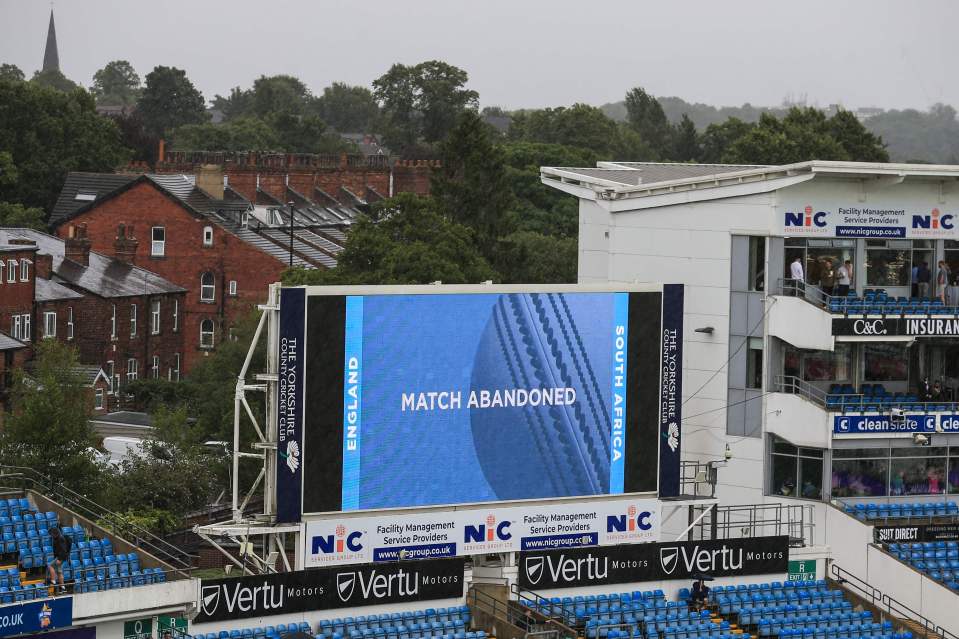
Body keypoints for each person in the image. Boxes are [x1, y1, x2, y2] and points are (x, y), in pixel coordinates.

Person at [47, 526, 71, 592]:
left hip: (60, 557)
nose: (50, 535)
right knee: (59, 572)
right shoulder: (57, 538)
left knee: (51, 566)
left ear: (54, 533)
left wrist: (59, 559)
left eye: (51, 534)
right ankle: (63, 587)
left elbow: (63, 550)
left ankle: (53, 581)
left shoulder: (60, 538)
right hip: (60, 557)